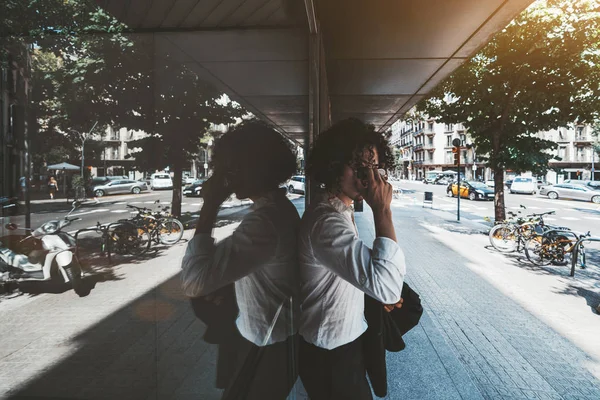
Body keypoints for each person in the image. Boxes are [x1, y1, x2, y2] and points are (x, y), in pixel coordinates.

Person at [181, 121, 300, 399]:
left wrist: (210, 207)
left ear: (255, 168)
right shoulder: (275, 209)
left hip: (267, 346)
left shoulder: (265, 220)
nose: (227, 176)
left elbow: (194, 281)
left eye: (232, 167)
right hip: (269, 339)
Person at [298, 118, 406, 400]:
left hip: (341, 343)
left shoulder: (340, 209)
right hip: (330, 353)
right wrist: (382, 211)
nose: (367, 177)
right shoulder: (327, 222)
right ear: (333, 166)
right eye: (358, 166)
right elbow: (387, 287)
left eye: (372, 167)